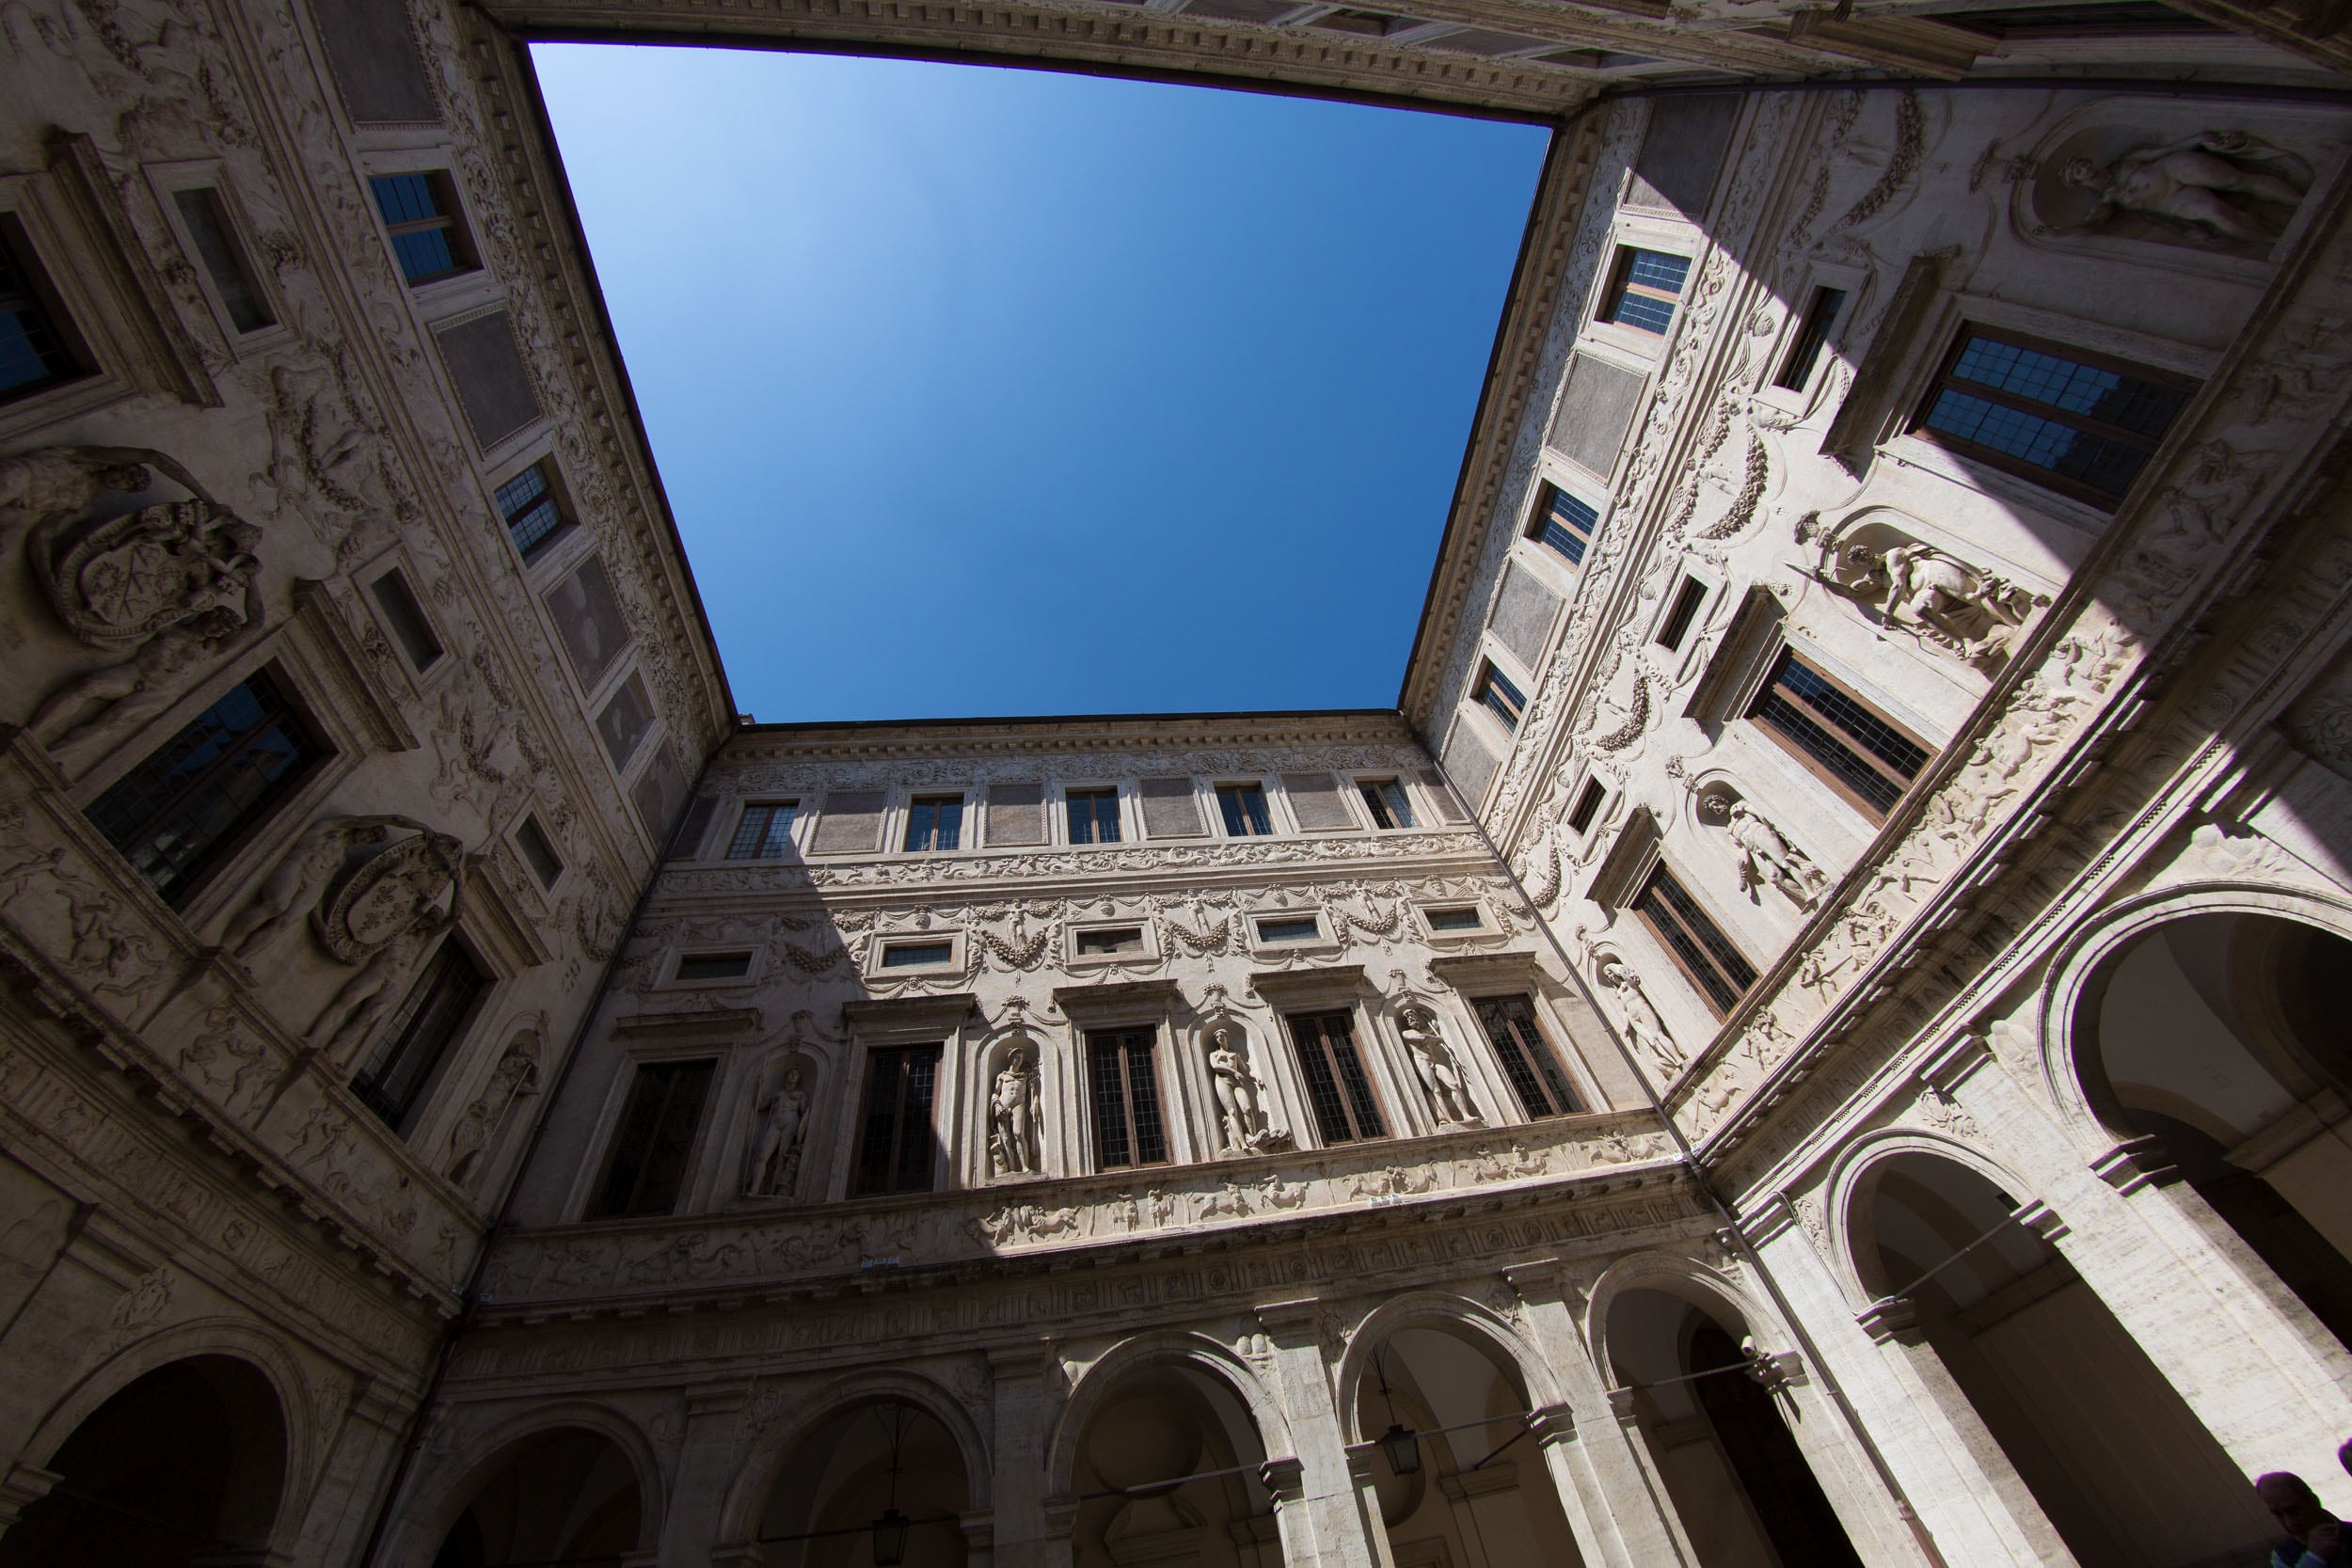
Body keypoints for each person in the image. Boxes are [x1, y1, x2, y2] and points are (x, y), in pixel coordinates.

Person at [2258, 1471, 2344, 1567]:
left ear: (2314, 1501)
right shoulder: (2283, 1554)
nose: (2289, 1523)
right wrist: (2315, 1558)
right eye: (2278, 1514)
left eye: (2294, 1511)